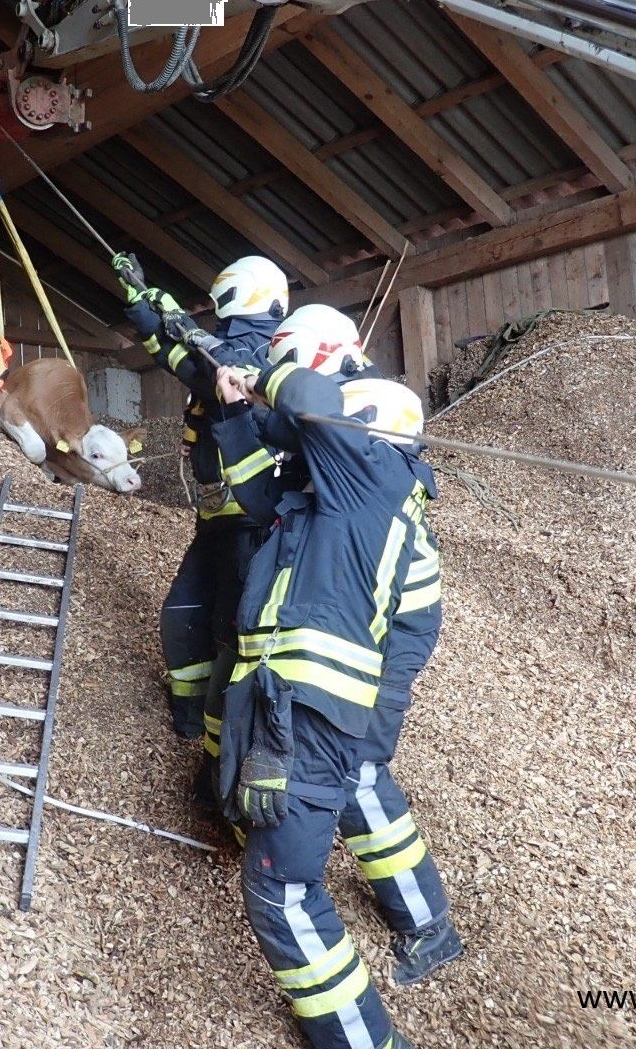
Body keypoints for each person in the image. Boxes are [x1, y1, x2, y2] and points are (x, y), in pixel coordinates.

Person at [211, 305, 460, 1049]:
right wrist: (235, 415)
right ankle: (414, 938)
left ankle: (373, 1021)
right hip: (301, 697)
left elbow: (314, 402)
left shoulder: (367, 475)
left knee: (296, 874)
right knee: (343, 799)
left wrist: (265, 375)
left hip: (321, 700)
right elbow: (261, 498)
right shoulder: (333, 499)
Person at [113, 252, 288, 777]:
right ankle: (189, 728)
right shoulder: (225, 349)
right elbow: (184, 358)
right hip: (216, 520)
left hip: (251, 524)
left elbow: (194, 364)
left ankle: (218, 748)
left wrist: (156, 311)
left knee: (228, 632)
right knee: (183, 617)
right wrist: (144, 307)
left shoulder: (258, 354)